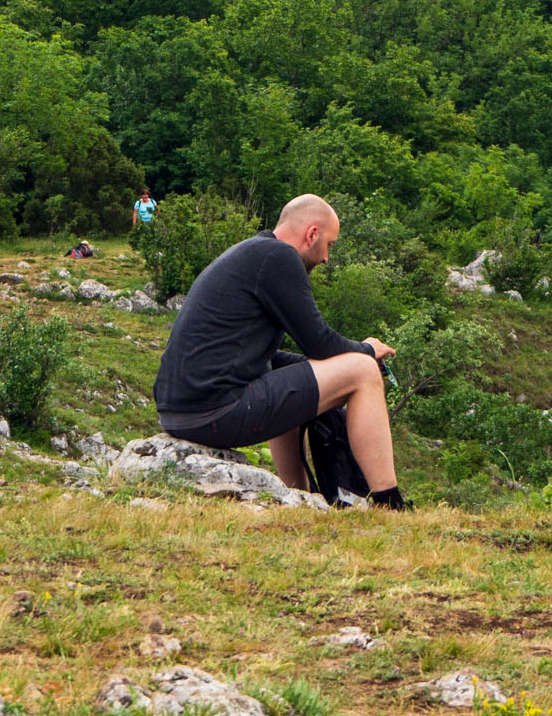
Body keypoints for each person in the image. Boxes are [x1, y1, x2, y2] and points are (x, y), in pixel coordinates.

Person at [153, 193, 409, 508]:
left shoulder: (253, 254)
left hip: (183, 414)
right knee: (363, 370)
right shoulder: (279, 257)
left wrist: (321, 371)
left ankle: (301, 498)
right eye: (329, 245)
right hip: (215, 413)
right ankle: (389, 503)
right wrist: (366, 350)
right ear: (312, 234)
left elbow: (270, 360)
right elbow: (319, 342)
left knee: (292, 377)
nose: (327, 258)